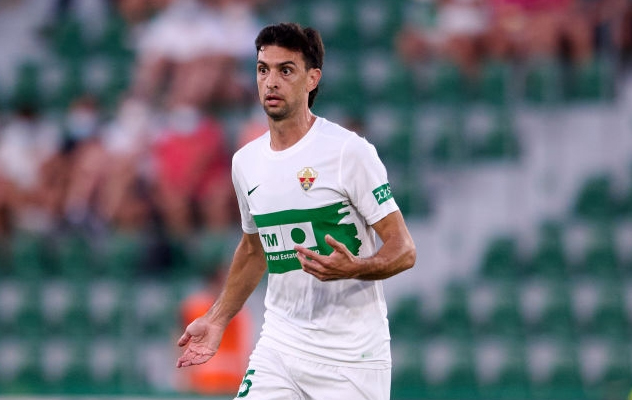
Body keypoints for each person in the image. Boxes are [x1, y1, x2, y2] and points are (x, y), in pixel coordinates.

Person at [176, 22, 417, 399]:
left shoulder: (348, 152)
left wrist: (356, 267)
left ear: (312, 78)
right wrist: (217, 318)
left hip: (351, 357)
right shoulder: (246, 162)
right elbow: (254, 249)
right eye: (263, 69)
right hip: (280, 346)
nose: (271, 82)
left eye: (285, 70)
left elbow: (404, 249)